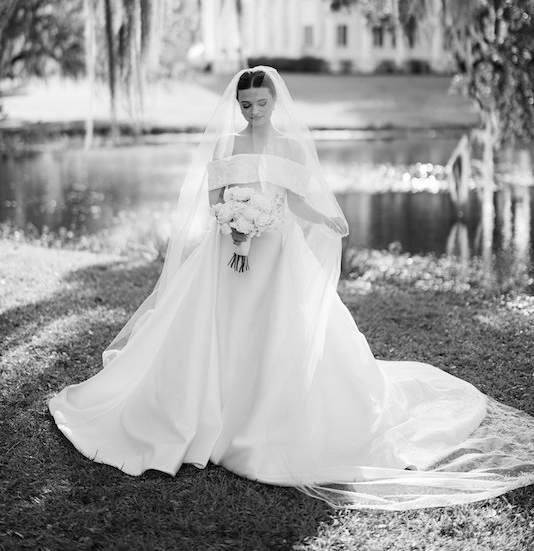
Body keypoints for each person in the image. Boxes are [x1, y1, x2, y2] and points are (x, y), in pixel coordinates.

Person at [49, 66, 534, 510]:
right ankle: (206, 412)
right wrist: (231, 223)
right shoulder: (226, 146)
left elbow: (297, 202)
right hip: (226, 255)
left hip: (279, 256)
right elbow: (214, 200)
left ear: (274, 101)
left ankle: (264, 416)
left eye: (260, 104)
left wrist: (325, 216)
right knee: (216, 330)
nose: (253, 112)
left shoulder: (291, 147)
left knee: (279, 331)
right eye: (245, 105)